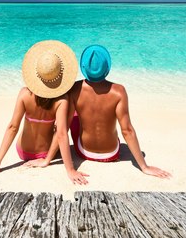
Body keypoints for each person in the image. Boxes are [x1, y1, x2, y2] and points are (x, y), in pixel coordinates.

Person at [0, 40, 88, 184]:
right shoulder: (61, 101)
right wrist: (70, 169)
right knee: (71, 116)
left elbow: (12, 127)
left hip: (23, 152)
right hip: (46, 153)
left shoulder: (24, 94)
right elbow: (61, 134)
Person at [67, 44, 171, 178]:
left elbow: (63, 128)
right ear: (106, 68)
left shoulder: (75, 89)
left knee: (73, 115)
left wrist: (68, 168)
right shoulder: (118, 91)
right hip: (111, 154)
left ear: (84, 68)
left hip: (84, 152)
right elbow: (127, 130)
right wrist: (144, 167)